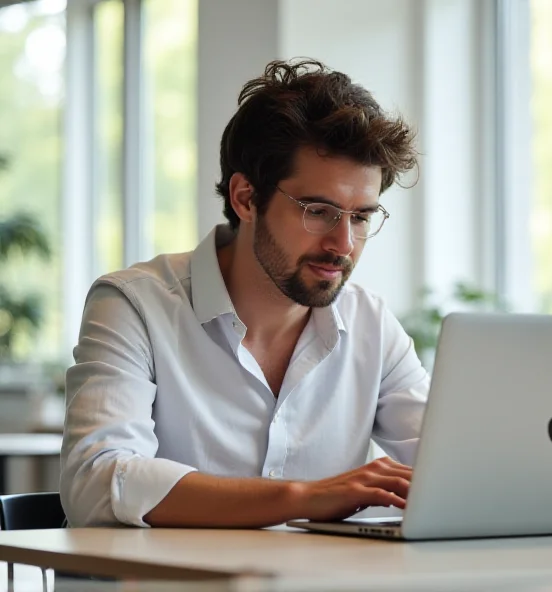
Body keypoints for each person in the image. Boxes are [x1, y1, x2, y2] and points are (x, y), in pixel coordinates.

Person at [60, 59, 429, 528]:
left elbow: (453, 468)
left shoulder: (371, 325)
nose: (344, 245)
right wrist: (301, 498)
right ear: (246, 199)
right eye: (319, 211)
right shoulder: (134, 306)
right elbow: (97, 484)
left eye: (360, 217)